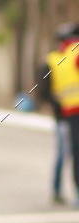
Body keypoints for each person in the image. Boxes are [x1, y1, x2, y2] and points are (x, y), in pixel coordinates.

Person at [45, 23, 79, 206]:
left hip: (67, 114)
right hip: (66, 116)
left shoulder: (58, 58)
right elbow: (45, 90)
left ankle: (61, 191)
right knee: (67, 154)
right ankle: (60, 190)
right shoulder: (61, 59)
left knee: (67, 154)